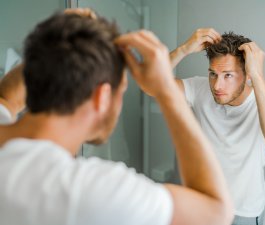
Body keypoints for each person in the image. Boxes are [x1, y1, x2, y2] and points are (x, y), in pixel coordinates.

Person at [0, 9, 233, 225]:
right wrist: (165, 90)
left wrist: (55, 44)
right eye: (121, 90)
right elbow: (217, 211)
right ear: (102, 96)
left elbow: (6, 97)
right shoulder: (88, 192)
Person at [170, 28, 265, 225]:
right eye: (213, 74)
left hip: (243, 213)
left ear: (247, 76)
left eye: (228, 75)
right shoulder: (199, 89)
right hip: (203, 205)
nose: (217, 85)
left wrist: (257, 75)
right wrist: (183, 50)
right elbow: (149, 84)